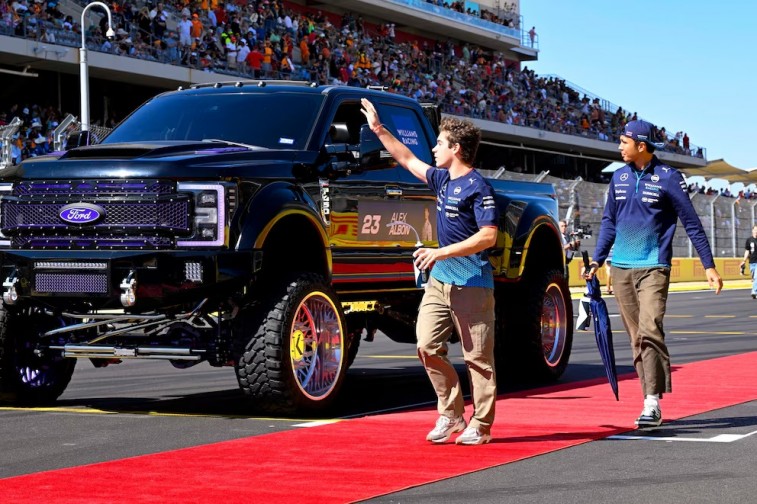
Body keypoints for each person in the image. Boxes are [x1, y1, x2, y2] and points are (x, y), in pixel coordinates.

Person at [360, 98, 499, 445]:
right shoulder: (441, 180)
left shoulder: (479, 187)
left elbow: (488, 236)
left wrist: (440, 252)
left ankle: (480, 426)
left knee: (478, 359)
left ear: (455, 148)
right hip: (439, 283)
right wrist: (379, 129)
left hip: (472, 284)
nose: (434, 148)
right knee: (426, 345)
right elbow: (406, 159)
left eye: (439, 143)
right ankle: (451, 413)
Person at [584, 120, 722, 428]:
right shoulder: (618, 177)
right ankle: (648, 397)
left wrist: (709, 266)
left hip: (654, 267)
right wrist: (597, 261)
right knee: (636, 339)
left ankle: (652, 402)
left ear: (641, 146)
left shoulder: (669, 178)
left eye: (624, 142)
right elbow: (608, 223)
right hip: (620, 268)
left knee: (650, 330)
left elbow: (692, 223)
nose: (619, 147)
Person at [739, 224, 757, 299]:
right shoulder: (749, 240)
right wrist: (744, 261)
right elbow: (747, 251)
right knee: (754, 278)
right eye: (755, 230)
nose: (756, 232)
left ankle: (754, 291)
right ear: (752, 230)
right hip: (752, 262)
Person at [559, 219, 577, 283]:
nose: (564, 228)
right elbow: (560, 249)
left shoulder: (566, 237)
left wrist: (574, 243)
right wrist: (570, 244)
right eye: (562, 226)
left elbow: (571, 249)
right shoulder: (558, 236)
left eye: (565, 226)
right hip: (559, 264)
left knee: (566, 281)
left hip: (565, 262)